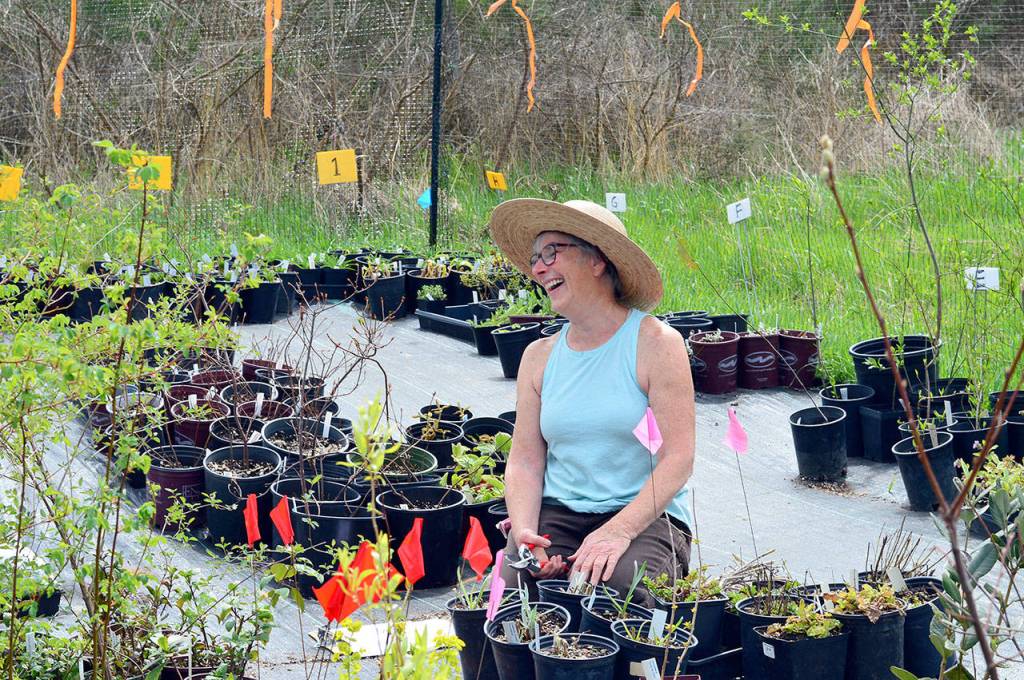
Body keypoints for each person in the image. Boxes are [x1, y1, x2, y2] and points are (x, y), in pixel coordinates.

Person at [489, 198, 695, 605]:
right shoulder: (538, 357)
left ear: (597, 260)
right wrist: (527, 535)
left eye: (552, 252)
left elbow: (679, 458)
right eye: (535, 258)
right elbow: (525, 460)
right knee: (509, 591)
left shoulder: (655, 344)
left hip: (645, 514)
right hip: (559, 512)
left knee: (620, 591)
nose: (538, 268)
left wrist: (618, 531)